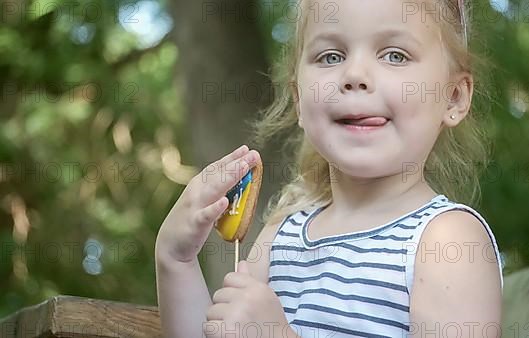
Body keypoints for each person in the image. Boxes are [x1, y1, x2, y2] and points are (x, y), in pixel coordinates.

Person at [155, 0, 504, 337]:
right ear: (299, 101)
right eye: (331, 56)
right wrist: (176, 261)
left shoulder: (447, 242)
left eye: (395, 55)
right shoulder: (282, 233)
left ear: (454, 97)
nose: (354, 75)